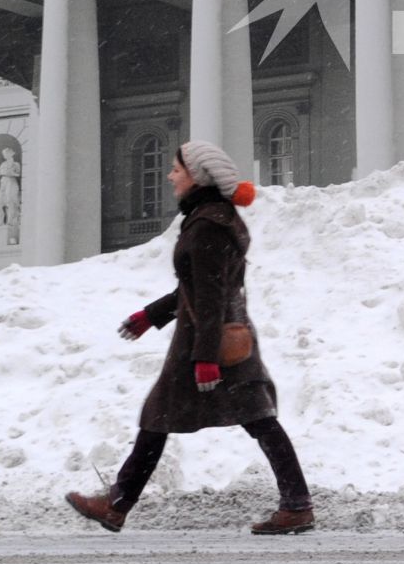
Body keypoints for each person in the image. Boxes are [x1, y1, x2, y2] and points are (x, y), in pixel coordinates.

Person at [65, 140, 315, 536]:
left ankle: (116, 504)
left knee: (167, 417)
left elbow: (211, 294)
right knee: (251, 419)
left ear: (197, 177)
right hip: (225, 336)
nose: (170, 176)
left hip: (210, 342)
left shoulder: (207, 225)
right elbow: (197, 288)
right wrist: (152, 315)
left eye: (176, 170)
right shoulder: (213, 218)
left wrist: (204, 358)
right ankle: (296, 505)